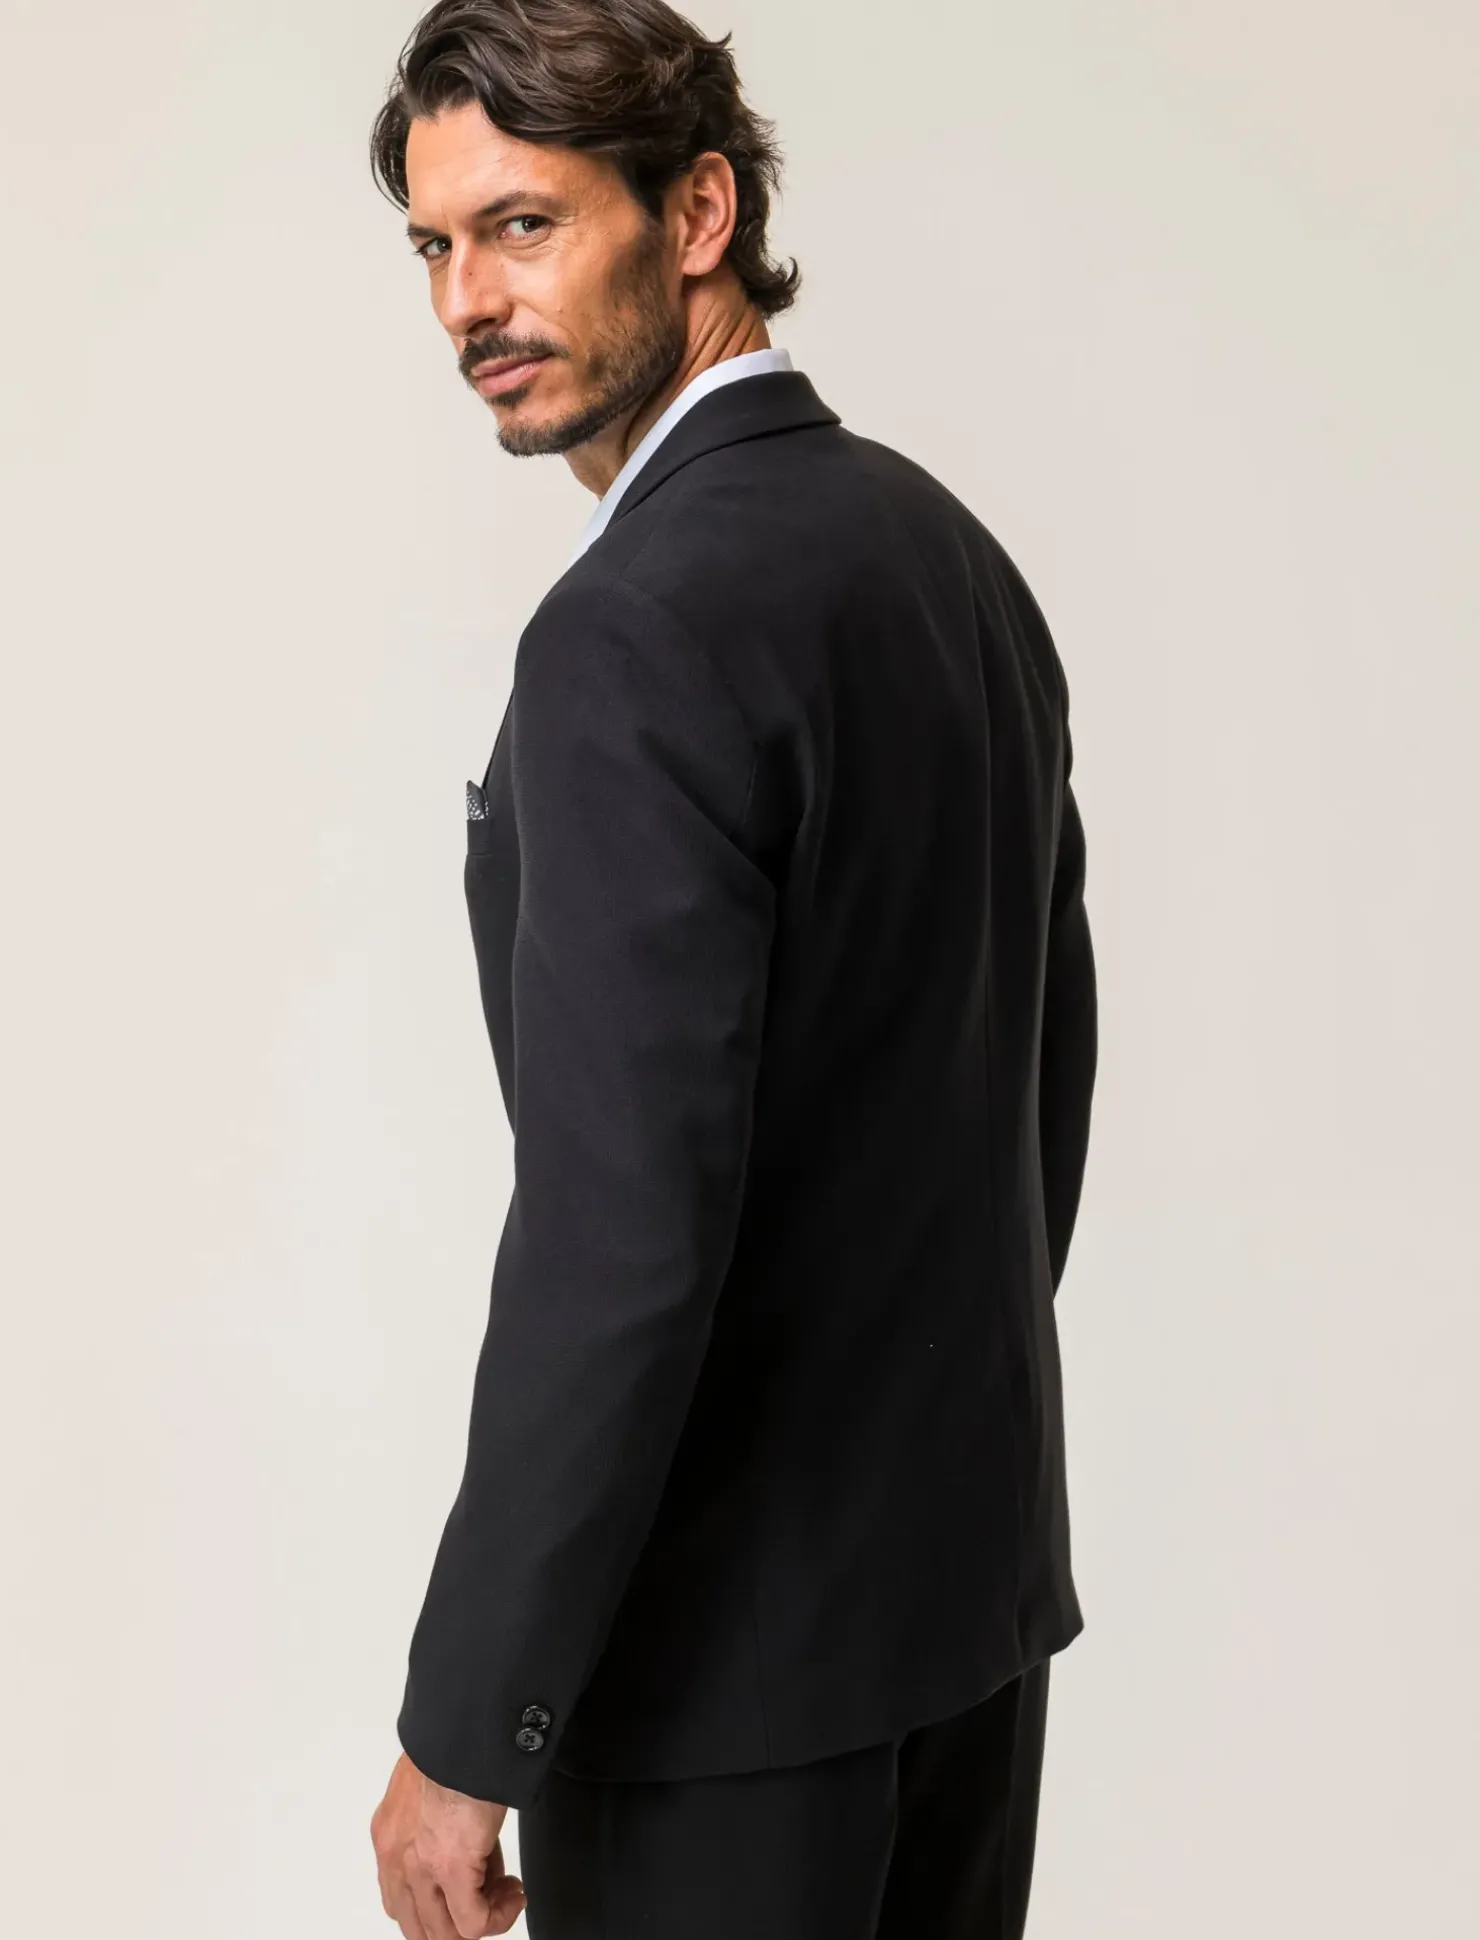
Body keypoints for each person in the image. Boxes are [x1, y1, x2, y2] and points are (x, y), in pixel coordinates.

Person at [365, 3, 1097, 1935]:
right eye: (434, 245)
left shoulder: (630, 633)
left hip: (720, 1694)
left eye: (523, 225)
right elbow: (1037, 1098)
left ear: (699, 214)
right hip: (958, 1626)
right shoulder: (949, 561)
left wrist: (469, 1723)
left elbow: (618, 1240)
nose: (467, 300)